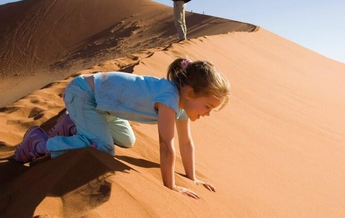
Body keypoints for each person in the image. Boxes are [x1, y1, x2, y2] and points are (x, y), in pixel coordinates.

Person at [14, 58, 229, 199]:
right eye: (207, 106)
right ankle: (40, 143)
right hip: (83, 95)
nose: (207, 113)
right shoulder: (169, 98)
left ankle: (76, 125)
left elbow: (186, 142)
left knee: (128, 140)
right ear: (190, 93)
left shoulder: (181, 105)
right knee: (104, 148)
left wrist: (192, 178)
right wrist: (171, 186)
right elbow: (166, 144)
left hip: (104, 107)